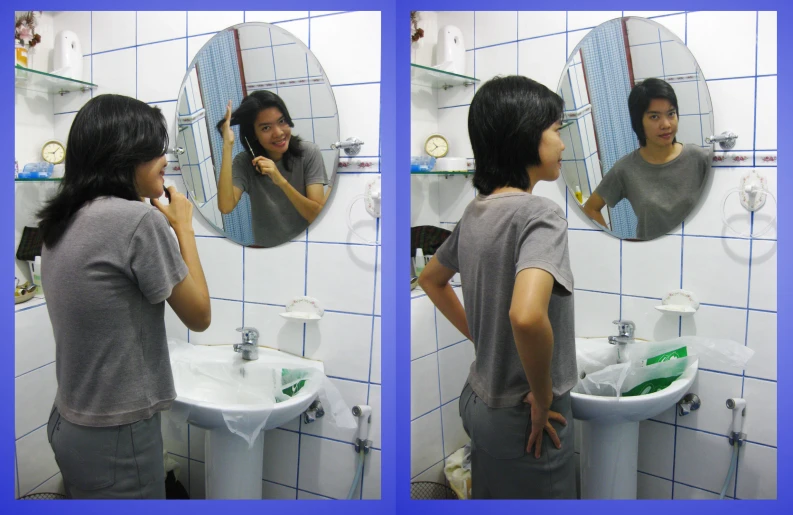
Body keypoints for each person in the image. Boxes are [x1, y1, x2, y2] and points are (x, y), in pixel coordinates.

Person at [38, 94, 211, 499]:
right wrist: (182, 226)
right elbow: (199, 315)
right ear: (125, 155)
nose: (164, 158)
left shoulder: (61, 218)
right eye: (154, 148)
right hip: (117, 437)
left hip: (69, 420)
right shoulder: (136, 220)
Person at [419, 76, 578, 499]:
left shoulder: (477, 211)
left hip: (477, 400)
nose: (562, 145)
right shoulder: (540, 215)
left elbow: (430, 280)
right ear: (527, 136)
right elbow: (526, 316)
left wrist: (481, 333)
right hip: (524, 413)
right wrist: (544, 399)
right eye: (556, 131)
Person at [582, 78, 710, 240]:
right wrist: (615, 246)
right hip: (651, 259)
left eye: (671, 114)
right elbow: (591, 209)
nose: (666, 124)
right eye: (654, 117)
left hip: (700, 253)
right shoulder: (626, 169)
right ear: (638, 122)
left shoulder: (698, 157)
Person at [216, 91, 328, 247]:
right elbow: (226, 206)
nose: (279, 133)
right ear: (253, 134)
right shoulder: (245, 162)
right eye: (266, 128)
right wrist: (227, 146)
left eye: (282, 121)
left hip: (308, 247)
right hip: (267, 254)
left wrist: (280, 181)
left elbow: (316, 215)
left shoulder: (308, 153)